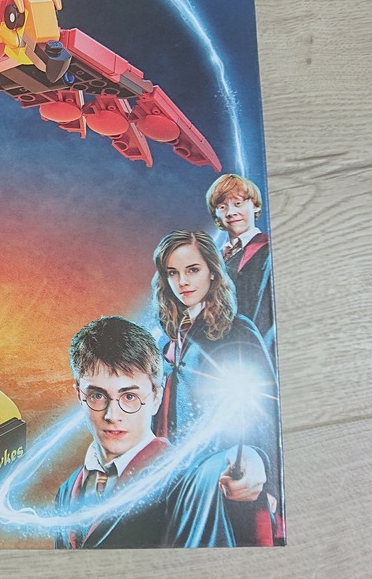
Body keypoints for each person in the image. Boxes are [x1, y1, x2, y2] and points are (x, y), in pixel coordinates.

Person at [54, 316, 264, 548]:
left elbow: (207, 475)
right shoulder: (66, 491)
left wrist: (250, 457)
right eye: (97, 395)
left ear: (156, 397)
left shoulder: (181, 477)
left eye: (129, 396)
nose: (112, 415)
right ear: (79, 395)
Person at [152, 230, 282, 543]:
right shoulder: (165, 344)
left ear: (212, 271)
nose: (183, 282)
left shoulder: (237, 331)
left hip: (228, 481)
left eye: (192, 270)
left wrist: (271, 482)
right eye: (173, 273)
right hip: (175, 487)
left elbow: (266, 408)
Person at [206, 174, 274, 347]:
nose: (230, 213)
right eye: (222, 207)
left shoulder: (268, 252)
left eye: (238, 203)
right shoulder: (214, 260)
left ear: (256, 206)